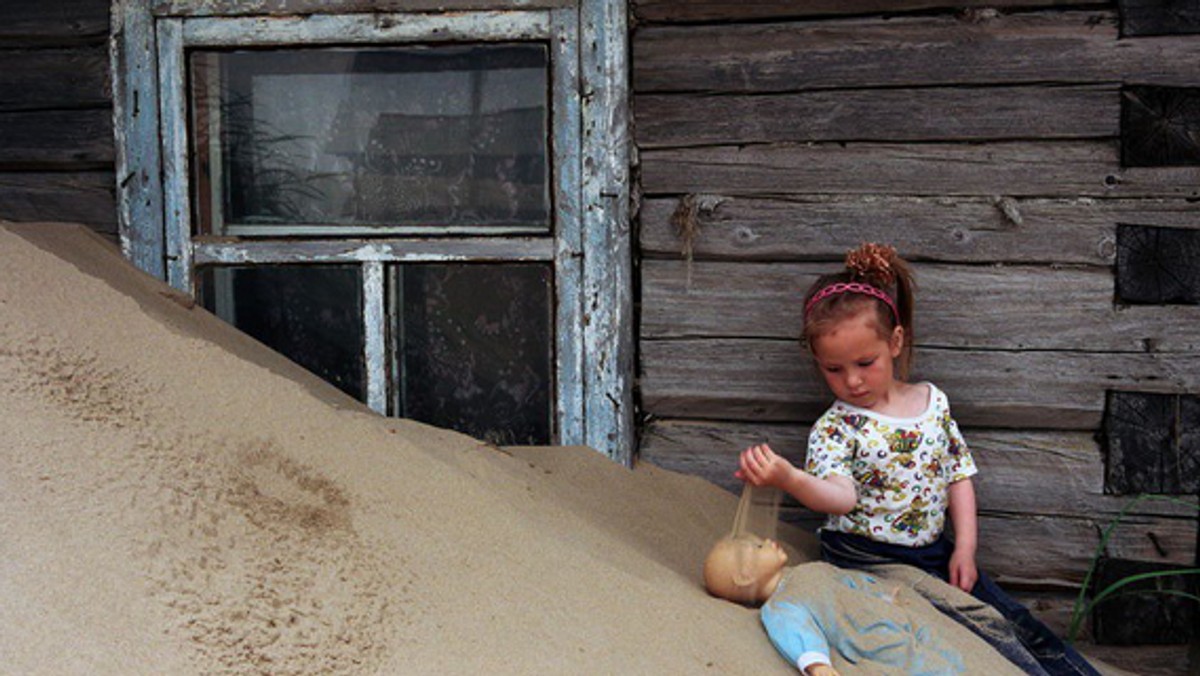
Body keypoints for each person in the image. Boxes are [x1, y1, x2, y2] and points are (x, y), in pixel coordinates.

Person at [735, 243, 1098, 676]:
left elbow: (958, 475)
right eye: (833, 369)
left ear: (895, 342)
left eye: (865, 362)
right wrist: (790, 477)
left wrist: (964, 547)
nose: (851, 380)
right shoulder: (835, 428)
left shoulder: (932, 403)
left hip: (933, 550)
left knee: (1014, 619)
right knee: (981, 627)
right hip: (866, 556)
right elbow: (839, 497)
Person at [702, 536, 1027, 675]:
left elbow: (851, 581)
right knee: (925, 665)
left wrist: (884, 595)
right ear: (745, 577)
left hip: (895, 618)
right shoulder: (781, 606)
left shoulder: (809, 570)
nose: (768, 541)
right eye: (758, 547)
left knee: (946, 654)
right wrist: (816, 664)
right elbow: (798, 634)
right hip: (871, 641)